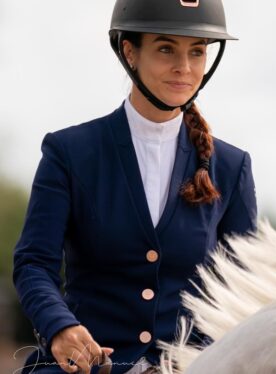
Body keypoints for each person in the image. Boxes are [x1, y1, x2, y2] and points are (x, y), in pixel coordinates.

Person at [12, 0, 257, 373]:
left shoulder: (232, 167)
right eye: (165, 49)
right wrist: (59, 327)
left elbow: (241, 290)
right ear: (130, 52)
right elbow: (33, 263)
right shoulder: (69, 153)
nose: (185, 67)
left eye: (197, 52)